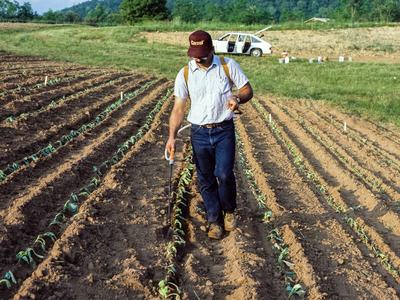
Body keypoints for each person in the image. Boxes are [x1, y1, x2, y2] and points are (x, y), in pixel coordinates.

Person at [165, 30, 253, 240]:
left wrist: (237, 98)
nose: (197, 58)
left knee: (223, 174)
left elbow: (247, 90)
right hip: (199, 133)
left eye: (202, 54)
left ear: (212, 49)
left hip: (223, 130)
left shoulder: (227, 66)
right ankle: (214, 220)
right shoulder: (185, 74)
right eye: (194, 53)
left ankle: (229, 211)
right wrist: (171, 137)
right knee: (205, 178)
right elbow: (178, 108)